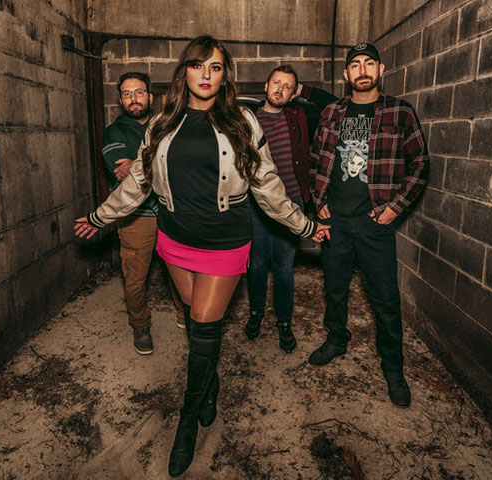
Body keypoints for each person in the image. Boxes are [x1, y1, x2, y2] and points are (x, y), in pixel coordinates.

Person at [74, 35, 329, 477]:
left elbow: (268, 186)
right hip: (175, 239)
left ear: (225, 75)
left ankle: (187, 421)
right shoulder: (161, 122)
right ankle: (210, 383)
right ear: (184, 72)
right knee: (196, 320)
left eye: (215, 67)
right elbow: (138, 182)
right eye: (197, 65)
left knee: (206, 326)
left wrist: (303, 225)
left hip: (225, 241)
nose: (206, 75)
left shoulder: (243, 121)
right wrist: (101, 216)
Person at [308, 42, 429, 408]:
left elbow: (420, 165)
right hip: (335, 221)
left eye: (369, 64)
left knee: (386, 299)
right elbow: (315, 159)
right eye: (355, 65)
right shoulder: (331, 112)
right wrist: (318, 203)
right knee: (335, 288)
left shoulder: (399, 112)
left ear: (381, 69)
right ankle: (336, 339)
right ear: (346, 74)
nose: (362, 70)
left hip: (374, 222)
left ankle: (393, 366)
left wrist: (395, 208)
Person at [245, 65, 337, 353]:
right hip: (258, 204)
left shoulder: (298, 116)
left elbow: (333, 105)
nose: (280, 89)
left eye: (288, 86)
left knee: (284, 267)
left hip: (293, 201)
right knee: (257, 263)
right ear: (266, 86)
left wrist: (304, 91)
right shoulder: (249, 119)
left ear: (293, 92)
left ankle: (283, 322)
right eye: (276, 82)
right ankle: (256, 313)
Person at [101, 72, 184, 356]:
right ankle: (140, 325)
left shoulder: (166, 126)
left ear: (149, 97)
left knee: (178, 268)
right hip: (136, 216)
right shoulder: (114, 132)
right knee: (135, 276)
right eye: (126, 94)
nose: (133, 99)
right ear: (121, 100)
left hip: (170, 211)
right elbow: (126, 175)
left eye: (138, 92)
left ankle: (184, 313)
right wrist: (157, 162)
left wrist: (139, 162)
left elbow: (179, 165)